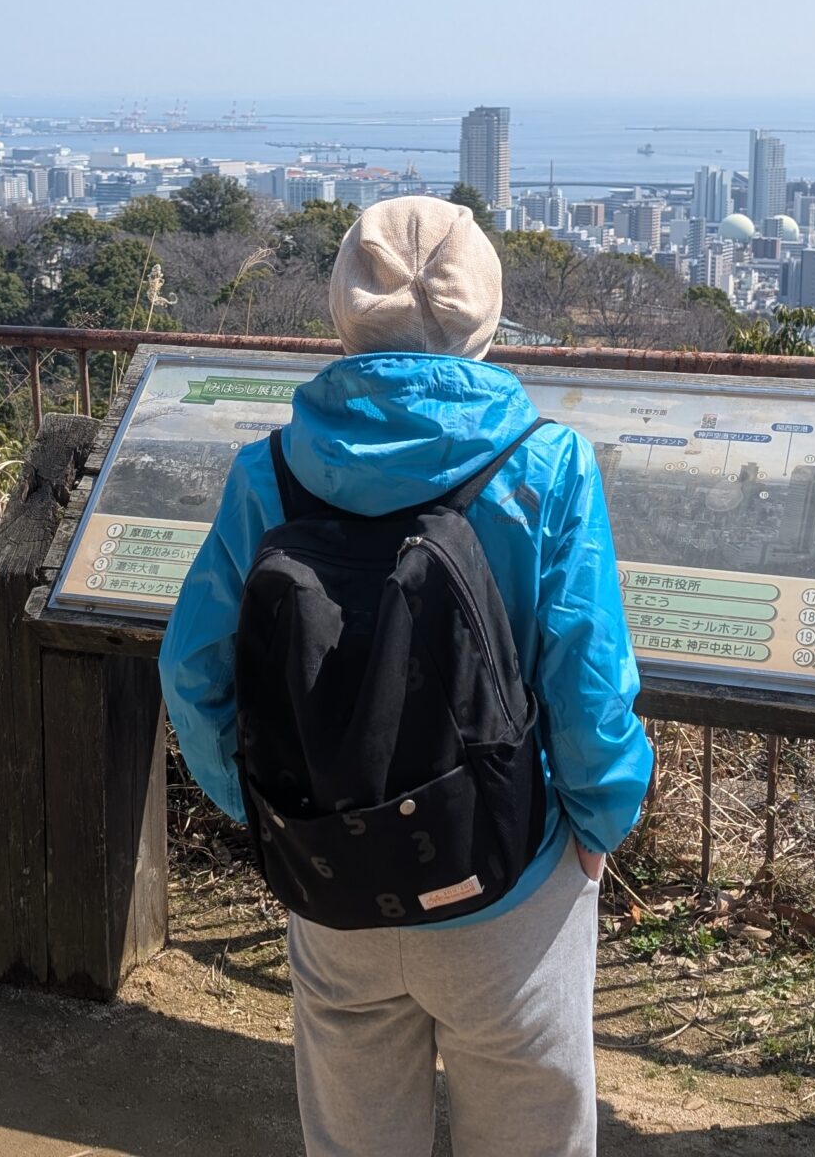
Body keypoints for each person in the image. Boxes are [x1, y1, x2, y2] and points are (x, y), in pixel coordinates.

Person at [159, 195, 653, 1157]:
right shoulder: (545, 464)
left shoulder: (270, 472)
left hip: (329, 870)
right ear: (486, 309)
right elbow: (588, 685)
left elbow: (192, 667)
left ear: (345, 309)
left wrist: (262, 809)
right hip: (506, 874)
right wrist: (598, 825)